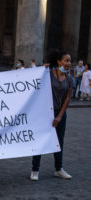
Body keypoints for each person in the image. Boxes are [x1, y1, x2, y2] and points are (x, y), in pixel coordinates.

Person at [30, 49, 74, 181]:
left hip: (60, 114)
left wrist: (59, 116)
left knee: (59, 142)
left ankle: (58, 169)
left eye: (70, 61)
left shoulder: (69, 78)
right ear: (58, 61)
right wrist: (41, 69)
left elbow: (67, 99)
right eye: (66, 60)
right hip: (45, 114)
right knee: (40, 140)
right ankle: (35, 169)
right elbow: (31, 77)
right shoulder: (47, 74)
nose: (69, 63)